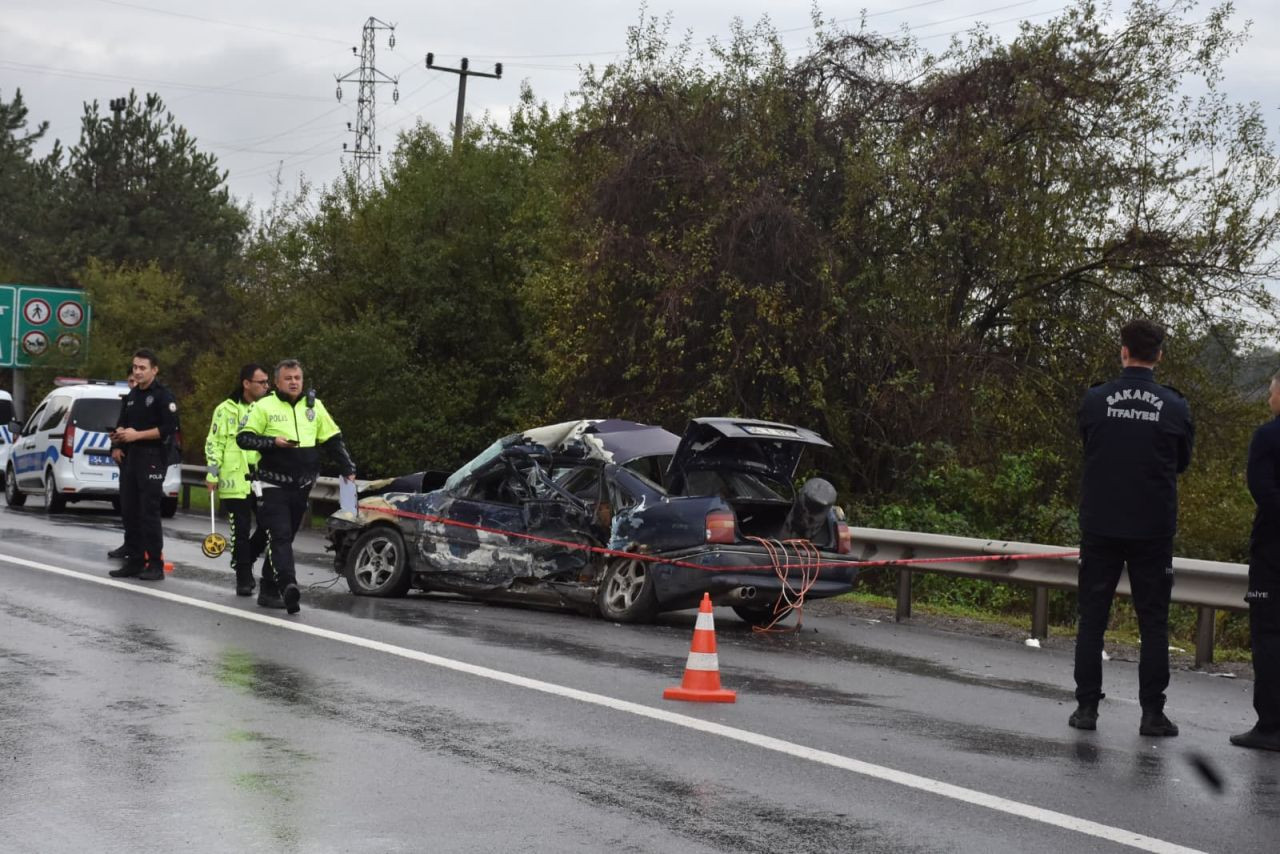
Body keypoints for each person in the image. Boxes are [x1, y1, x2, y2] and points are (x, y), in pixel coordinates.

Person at [1069, 319, 1194, 737]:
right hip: (1152, 529)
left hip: (1101, 524)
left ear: (1123, 351)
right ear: (1159, 355)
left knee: (1092, 619)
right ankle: (1152, 715)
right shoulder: (1174, 406)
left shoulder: (1095, 399)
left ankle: (1086, 709)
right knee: (1153, 622)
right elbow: (1181, 462)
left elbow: (1090, 446)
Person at [236, 359, 355, 614]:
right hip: (272, 483)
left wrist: (348, 469)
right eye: (288, 378)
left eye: (297, 378)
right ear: (277, 382)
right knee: (279, 535)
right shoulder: (264, 406)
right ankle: (288, 584)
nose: (293, 382)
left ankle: (268, 588)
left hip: (302, 485)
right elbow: (244, 439)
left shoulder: (315, 407)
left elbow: (333, 438)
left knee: (286, 536)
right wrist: (273, 442)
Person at [1231, 370, 1280, 751]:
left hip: (1272, 554)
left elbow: (1263, 491)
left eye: (1271, 390)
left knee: (1268, 639)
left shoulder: (1267, 437)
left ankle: (1269, 725)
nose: (1268, 397)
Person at [108, 349, 180, 581]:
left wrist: (137, 435)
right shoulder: (132, 395)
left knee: (149, 512)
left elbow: (168, 428)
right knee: (129, 510)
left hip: (151, 457)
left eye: (142, 368)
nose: (137, 372)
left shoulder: (162, 396)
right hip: (131, 458)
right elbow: (123, 423)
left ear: (154, 370)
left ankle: (155, 564)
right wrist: (118, 439)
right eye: (135, 367)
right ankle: (135, 560)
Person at [205, 364, 273, 598]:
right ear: (246, 383)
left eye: (267, 382)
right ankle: (243, 578)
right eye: (261, 382)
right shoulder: (225, 410)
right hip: (234, 479)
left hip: (262, 479)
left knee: (269, 524)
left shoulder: (269, 408)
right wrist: (212, 474)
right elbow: (214, 443)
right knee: (240, 530)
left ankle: (247, 558)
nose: (266, 386)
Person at [107, 366, 139, 560]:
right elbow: (120, 426)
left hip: (147, 461)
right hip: (127, 460)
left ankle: (145, 551)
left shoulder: (155, 400)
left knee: (144, 509)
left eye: (136, 381)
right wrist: (115, 446)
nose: (133, 385)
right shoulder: (128, 401)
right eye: (130, 381)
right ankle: (129, 544)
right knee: (127, 506)